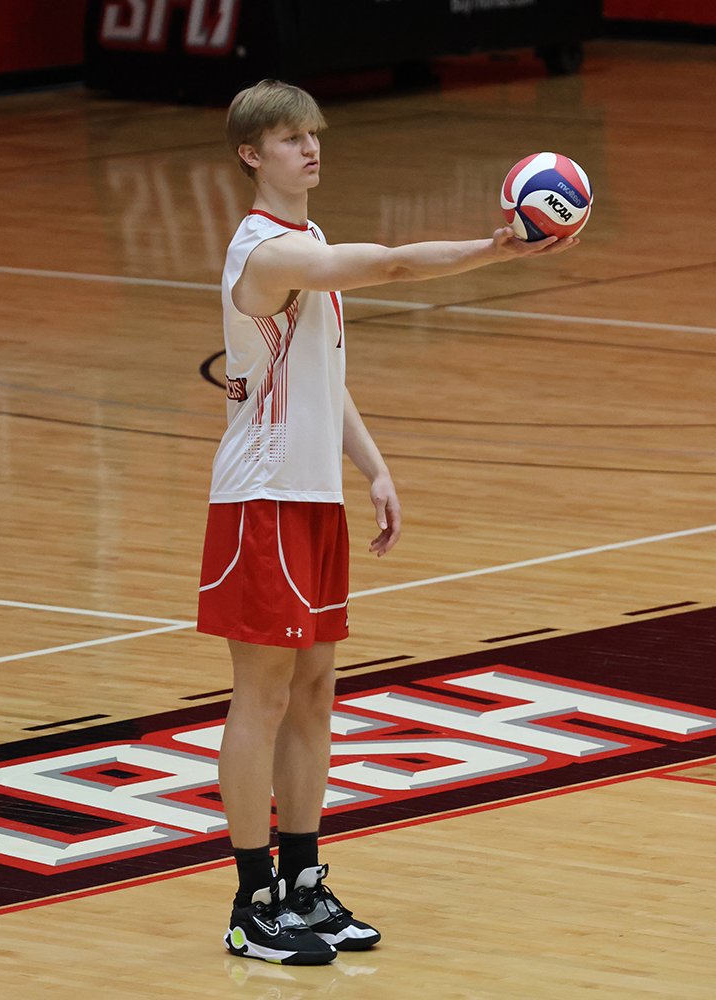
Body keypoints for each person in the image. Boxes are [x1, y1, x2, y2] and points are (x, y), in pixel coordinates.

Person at [197, 79, 578, 966]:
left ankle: (302, 879)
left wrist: (371, 467)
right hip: (262, 501)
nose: (310, 149)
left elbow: (324, 374)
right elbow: (395, 266)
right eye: (291, 139)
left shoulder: (308, 236)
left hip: (311, 497)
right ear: (253, 154)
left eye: (314, 135)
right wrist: (494, 246)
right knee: (260, 695)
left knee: (316, 692)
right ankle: (252, 901)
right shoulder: (263, 252)